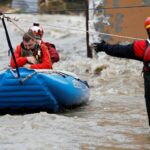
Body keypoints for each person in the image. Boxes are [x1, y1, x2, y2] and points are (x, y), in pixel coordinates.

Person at [92, 17, 150, 126]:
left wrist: (103, 46)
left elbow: (119, 50)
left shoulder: (142, 47)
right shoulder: (142, 47)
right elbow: (119, 50)